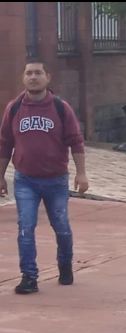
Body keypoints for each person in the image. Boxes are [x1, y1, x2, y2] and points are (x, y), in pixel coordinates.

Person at [0, 61, 88, 295]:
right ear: (23, 78)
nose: (33, 77)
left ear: (48, 78)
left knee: (62, 227)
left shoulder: (60, 108)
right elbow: (5, 144)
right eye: (29, 73)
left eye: (38, 73)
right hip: (25, 180)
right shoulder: (14, 108)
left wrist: (81, 173)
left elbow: (76, 142)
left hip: (56, 180)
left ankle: (65, 264)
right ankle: (29, 276)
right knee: (25, 228)